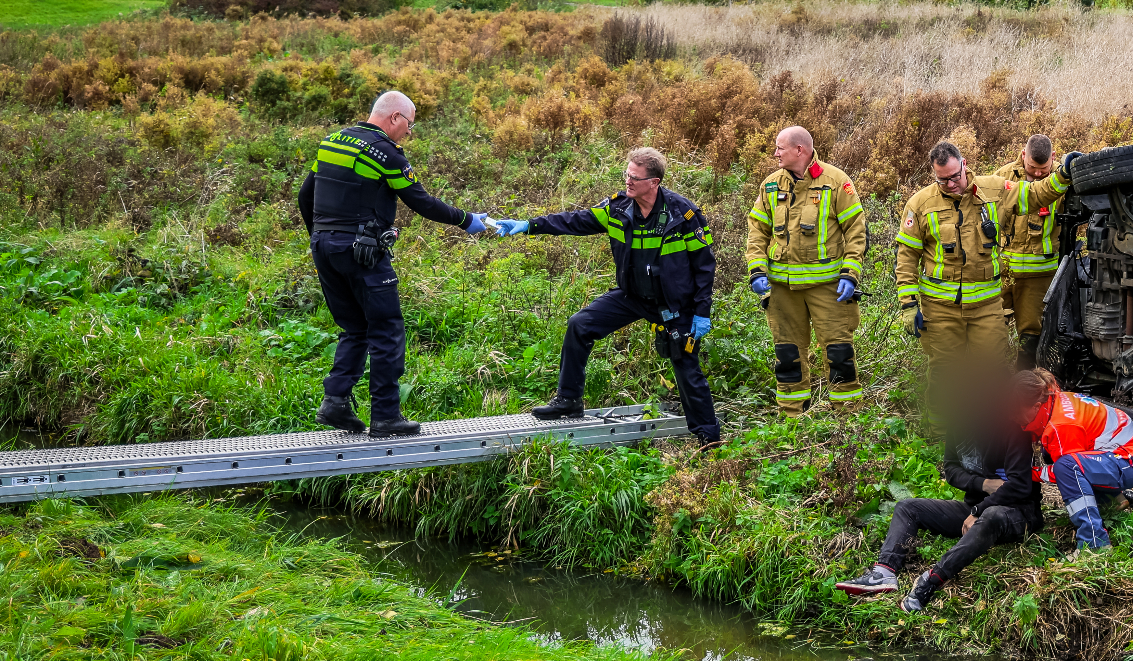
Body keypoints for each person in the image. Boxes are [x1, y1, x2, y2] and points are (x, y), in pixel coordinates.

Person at [491, 148, 721, 444]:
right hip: (632, 296)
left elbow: (705, 266)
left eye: (634, 178)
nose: (627, 181)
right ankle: (569, 400)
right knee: (580, 325)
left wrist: (702, 311)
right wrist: (529, 226)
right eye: (626, 174)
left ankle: (708, 437)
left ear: (654, 182)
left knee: (686, 365)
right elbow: (575, 221)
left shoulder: (683, 215)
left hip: (673, 305)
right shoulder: (618, 207)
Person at [298, 91, 489, 437]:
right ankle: (386, 416)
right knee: (386, 330)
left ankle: (336, 401)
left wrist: (321, 238)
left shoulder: (332, 141)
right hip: (362, 253)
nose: (409, 133)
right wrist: (466, 220)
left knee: (354, 328)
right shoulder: (386, 154)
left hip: (323, 248)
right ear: (395, 118)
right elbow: (423, 202)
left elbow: (304, 195)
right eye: (410, 125)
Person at [833, 368, 1040, 612]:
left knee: (991, 516)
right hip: (973, 510)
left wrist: (979, 509)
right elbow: (951, 470)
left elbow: (1020, 485)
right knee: (907, 508)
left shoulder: (1012, 426)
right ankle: (884, 573)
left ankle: (931, 580)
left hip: (1015, 513)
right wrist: (981, 486)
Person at [895, 142, 1076, 367]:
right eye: (942, 180)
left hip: (986, 306)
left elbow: (1035, 194)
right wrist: (909, 303)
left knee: (993, 368)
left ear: (964, 164)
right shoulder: (920, 204)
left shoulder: (995, 190)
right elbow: (906, 257)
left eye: (954, 176)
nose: (950, 184)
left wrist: (1063, 175)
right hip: (940, 308)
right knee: (944, 371)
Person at [743, 126, 868, 416]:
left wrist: (850, 274)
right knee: (787, 355)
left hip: (829, 289)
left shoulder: (836, 182)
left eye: (780, 148)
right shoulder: (771, 185)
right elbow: (756, 232)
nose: (774, 153)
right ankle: (792, 415)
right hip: (782, 290)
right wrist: (757, 270)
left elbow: (857, 232)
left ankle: (848, 418)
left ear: (800, 150)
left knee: (839, 354)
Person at [1019, 368, 1133, 553]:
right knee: (1058, 457)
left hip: (1132, 460)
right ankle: (1111, 500)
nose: (1013, 417)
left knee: (1067, 468)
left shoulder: (1061, 426)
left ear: (1034, 406)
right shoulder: (1053, 400)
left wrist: (1030, 473)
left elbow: (1067, 472)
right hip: (1128, 451)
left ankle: (1095, 544)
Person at [990, 134, 1067, 369]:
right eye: (1032, 168)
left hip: (1039, 277)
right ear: (1023, 155)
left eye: (1042, 170)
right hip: (1003, 273)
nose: (1036, 174)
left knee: (1032, 336)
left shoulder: (1063, 181)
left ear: (1053, 158)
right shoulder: (1002, 178)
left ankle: (1026, 386)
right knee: (990, 330)